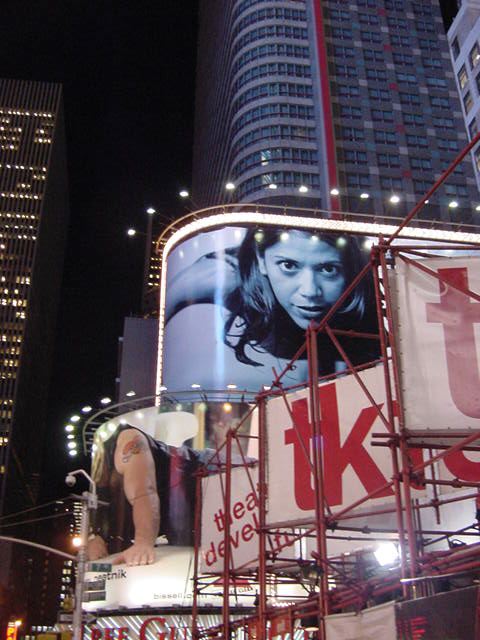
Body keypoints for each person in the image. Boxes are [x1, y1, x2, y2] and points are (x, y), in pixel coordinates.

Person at [166, 227, 378, 382]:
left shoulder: (367, 285)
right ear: (261, 260)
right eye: (288, 266)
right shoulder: (218, 276)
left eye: (328, 269)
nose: (310, 291)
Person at [87, 424, 215, 566]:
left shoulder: (127, 440)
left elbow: (143, 492)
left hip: (211, 472)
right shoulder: (100, 488)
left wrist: (143, 543)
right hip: (190, 513)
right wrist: (97, 539)